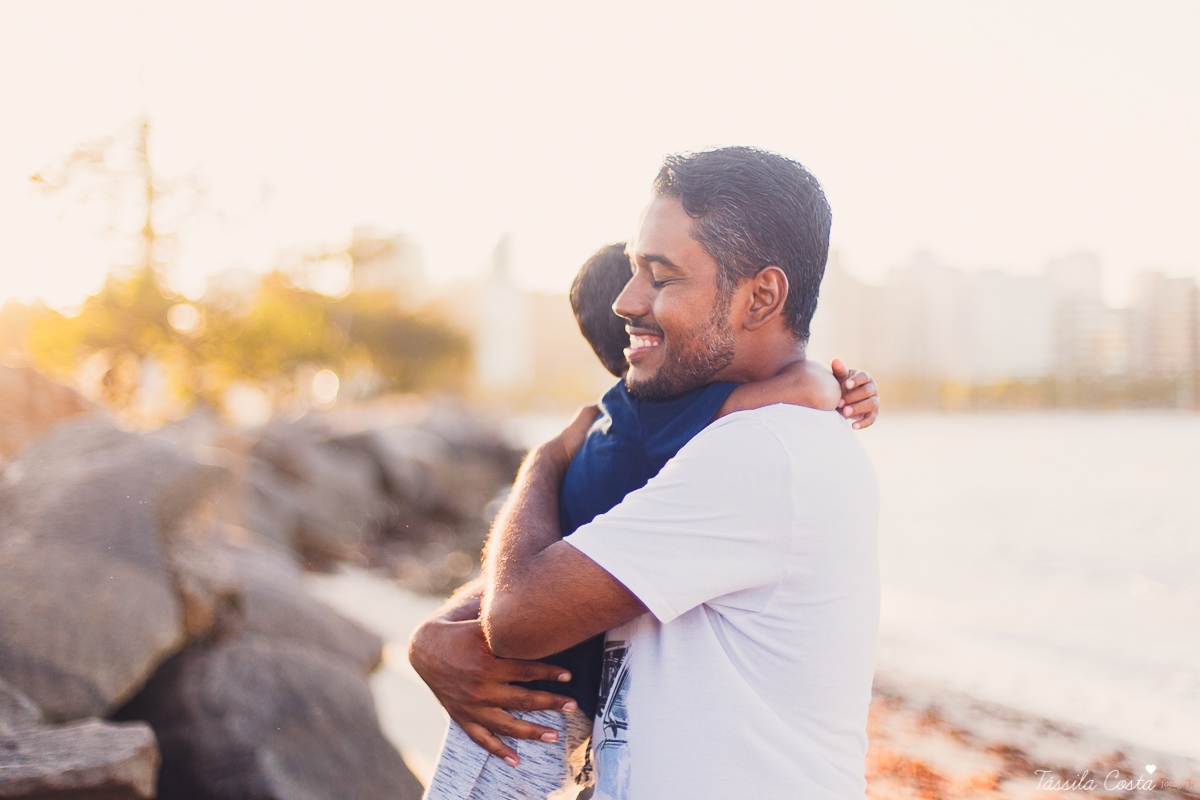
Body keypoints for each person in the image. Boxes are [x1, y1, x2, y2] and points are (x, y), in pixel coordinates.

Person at [473, 147, 881, 799]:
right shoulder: (717, 438)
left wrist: (545, 459)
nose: (628, 302)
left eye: (661, 276)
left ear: (762, 296)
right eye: (636, 271)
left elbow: (517, 615)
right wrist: (437, 638)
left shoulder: (760, 453)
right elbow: (568, 564)